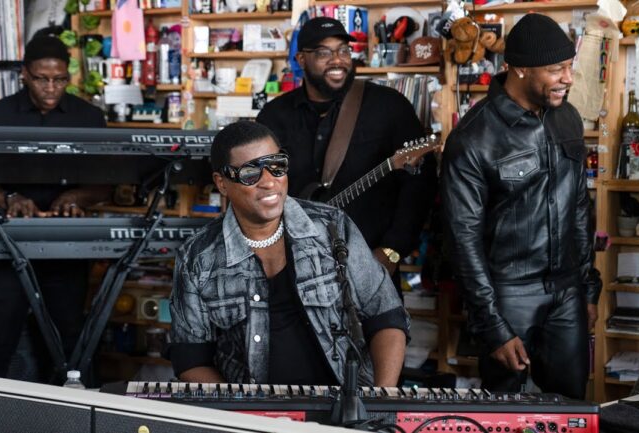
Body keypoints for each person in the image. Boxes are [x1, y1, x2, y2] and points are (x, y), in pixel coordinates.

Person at [168, 121, 409, 386]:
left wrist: (379, 400)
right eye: (250, 173)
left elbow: (386, 315)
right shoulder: (198, 258)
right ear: (222, 183)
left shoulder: (332, 227)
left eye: (277, 166)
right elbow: (191, 360)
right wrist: (243, 413)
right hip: (254, 416)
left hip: (348, 406)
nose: (269, 182)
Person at [440, 14, 600, 399]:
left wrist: (586, 291)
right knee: (505, 412)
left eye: (569, 67)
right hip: (508, 295)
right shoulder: (473, 139)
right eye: (556, 69)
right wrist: (492, 325)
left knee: (573, 408)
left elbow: (579, 208)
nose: (568, 79)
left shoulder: (568, 118)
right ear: (520, 69)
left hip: (567, 293)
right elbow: (462, 241)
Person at [0, 31, 109, 382]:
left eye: (60, 79)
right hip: (8, 242)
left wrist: (78, 197)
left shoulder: (88, 118)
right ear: (24, 74)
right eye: (42, 79)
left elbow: (107, 183)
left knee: (70, 340)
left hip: (68, 244)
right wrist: (9, 199)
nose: (51, 88)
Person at [256, 17, 437, 284]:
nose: (337, 60)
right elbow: (258, 187)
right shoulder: (274, 116)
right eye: (323, 53)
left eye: (343, 50)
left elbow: (420, 185)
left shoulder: (388, 106)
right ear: (301, 60)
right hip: (292, 266)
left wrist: (393, 251)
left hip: (368, 267)